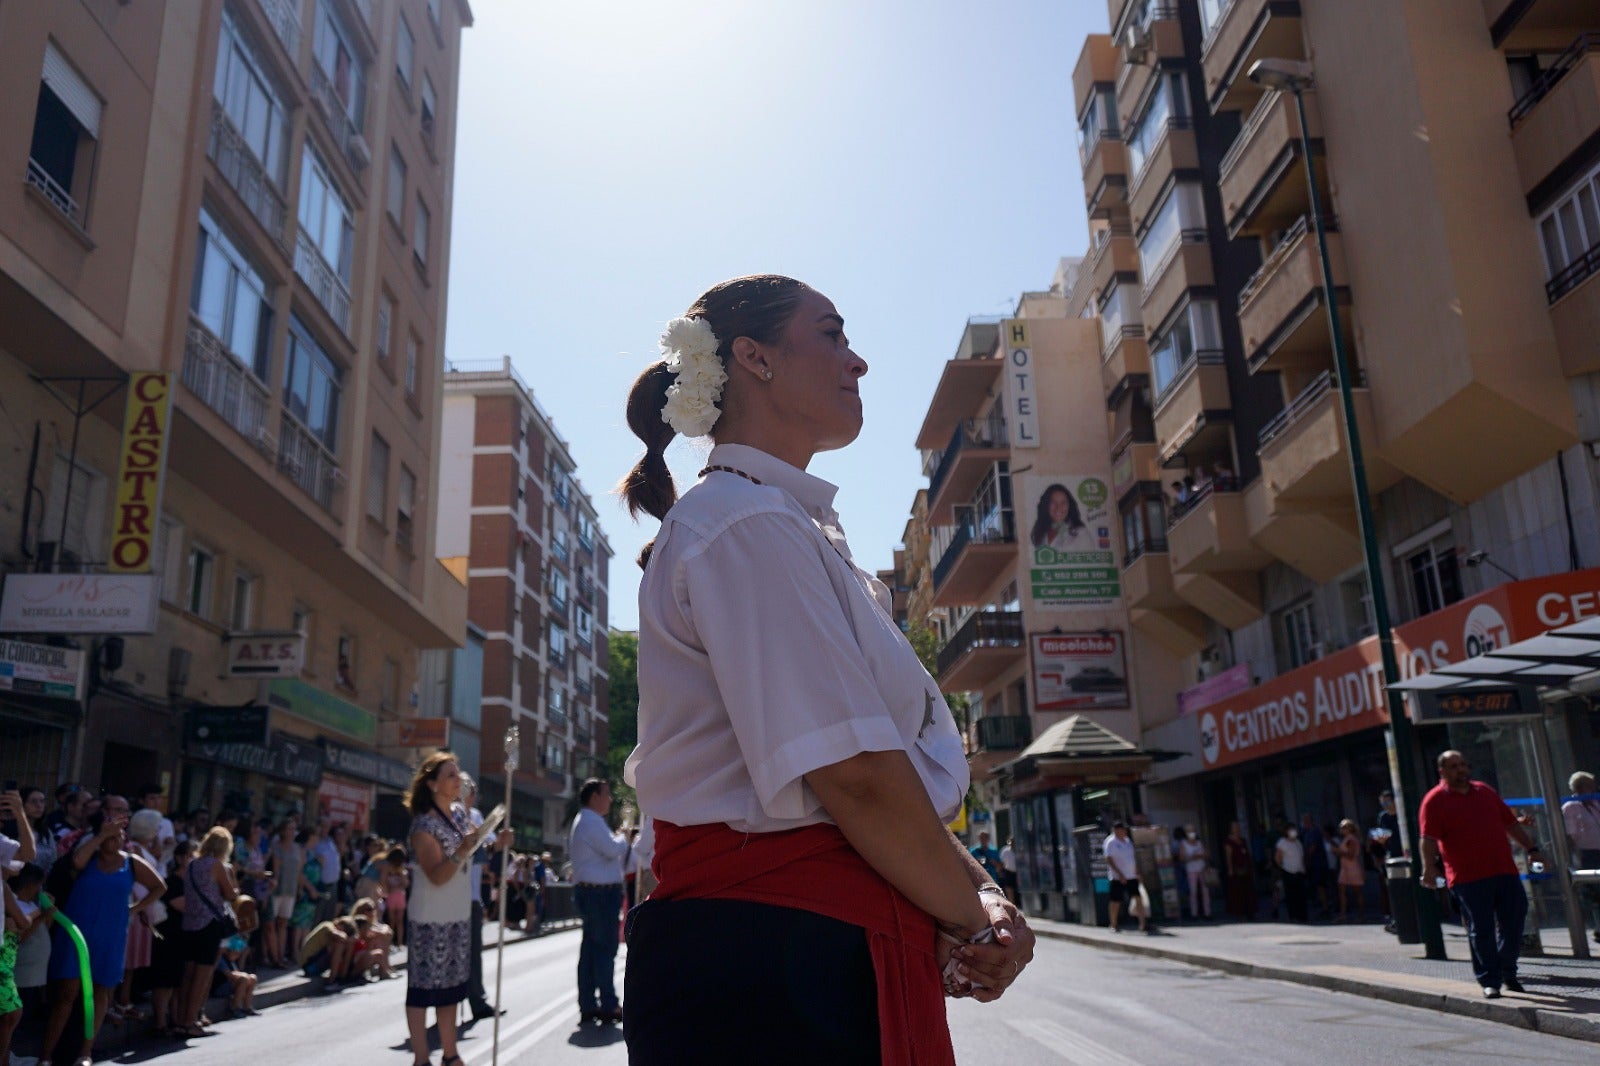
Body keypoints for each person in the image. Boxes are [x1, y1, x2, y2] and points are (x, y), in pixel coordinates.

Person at [620, 276, 1034, 1066]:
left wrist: (981, 897)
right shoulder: (744, 523)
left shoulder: (775, 523)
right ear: (753, 358)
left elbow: (882, 780)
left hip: (789, 951)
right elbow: (859, 779)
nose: (860, 362)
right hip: (771, 956)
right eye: (834, 335)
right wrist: (981, 921)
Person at [39, 797, 164, 1065]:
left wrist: (134, 908)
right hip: (76, 935)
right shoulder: (87, 856)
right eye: (111, 834)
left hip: (111, 936)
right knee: (67, 995)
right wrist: (100, 836)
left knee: (100, 994)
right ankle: (46, 1056)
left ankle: (85, 1052)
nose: (116, 838)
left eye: (120, 834)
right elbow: (76, 863)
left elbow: (159, 887)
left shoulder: (130, 863)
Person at [404, 752, 503, 1066]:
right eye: (450, 774)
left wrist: (497, 842)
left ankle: (450, 1054)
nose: (457, 778)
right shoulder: (423, 826)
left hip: (457, 912)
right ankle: (421, 1057)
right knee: (422, 988)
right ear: (432, 784)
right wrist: (462, 849)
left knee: (451, 988)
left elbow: (476, 849)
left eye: (457, 773)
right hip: (430, 915)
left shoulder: (461, 813)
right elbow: (436, 874)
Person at [1420, 750, 1543, 998]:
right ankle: (1491, 980)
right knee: (1482, 928)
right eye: (1454, 766)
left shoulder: (1485, 792)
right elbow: (1428, 838)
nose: (1461, 770)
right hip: (1467, 878)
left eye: (1464, 765)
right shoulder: (1434, 801)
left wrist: (1532, 849)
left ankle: (1507, 968)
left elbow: (1510, 825)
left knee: (1515, 918)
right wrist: (1428, 868)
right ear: (1442, 771)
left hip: (1504, 870)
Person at [569, 779, 630, 1025]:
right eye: (606, 794)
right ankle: (608, 1003)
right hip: (600, 894)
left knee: (592, 950)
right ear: (594, 796)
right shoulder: (591, 821)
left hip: (594, 893)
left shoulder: (586, 820)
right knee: (604, 949)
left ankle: (588, 1003)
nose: (609, 799)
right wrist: (624, 836)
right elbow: (612, 849)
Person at [174, 826, 241, 1037]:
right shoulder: (216, 865)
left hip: (189, 924)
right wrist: (236, 886)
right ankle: (190, 1021)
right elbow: (230, 894)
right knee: (202, 976)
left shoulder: (192, 865)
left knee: (188, 975)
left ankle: (179, 1019)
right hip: (209, 925)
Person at [459, 773, 502, 1021]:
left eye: (473, 789)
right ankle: (451, 1002)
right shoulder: (452, 814)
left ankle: (477, 1000)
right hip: (453, 895)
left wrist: (500, 841)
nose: (471, 793)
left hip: (472, 894)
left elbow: (490, 849)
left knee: (474, 951)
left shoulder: (474, 816)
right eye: (467, 788)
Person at [2, 863, 49, 1065]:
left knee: (10, 1018)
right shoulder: (13, 903)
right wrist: (38, 915)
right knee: (12, 1014)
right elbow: (21, 930)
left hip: (16, 971)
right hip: (16, 972)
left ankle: (6, 1057)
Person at [148, 840, 193, 1037]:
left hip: (184, 937)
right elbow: (183, 906)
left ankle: (175, 1020)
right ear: (180, 858)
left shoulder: (192, 882)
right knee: (164, 981)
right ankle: (159, 1022)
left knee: (177, 981)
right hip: (168, 935)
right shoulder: (173, 882)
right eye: (191, 855)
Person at [1561, 771, 1600, 944]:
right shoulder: (1572, 807)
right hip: (1587, 853)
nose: (1593, 789)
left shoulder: (1596, 804)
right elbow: (1571, 834)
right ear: (1580, 788)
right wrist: (1574, 856)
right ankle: (1597, 927)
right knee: (1594, 892)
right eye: (1590, 786)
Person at [264, 818, 305, 968]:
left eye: (294, 829)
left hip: (291, 889)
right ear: (283, 831)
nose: (292, 832)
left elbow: (299, 871)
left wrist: (300, 888)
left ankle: (281, 955)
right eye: (289, 828)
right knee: (270, 923)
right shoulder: (277, 847)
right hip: (277, 889)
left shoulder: (298, 849)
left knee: (283, 923)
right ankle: (271, 956)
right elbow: (275, 870)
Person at [1369, 790, 1403, 933]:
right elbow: (1381, 838)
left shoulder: (1403, 813)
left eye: (1388, 802)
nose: (1385, 805)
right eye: (1382, 803)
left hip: (1406, 855)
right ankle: (1397, 920)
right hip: (1392, 856)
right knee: (1395, 890)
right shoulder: (1383, 817)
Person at [1104, 822, 1145, 933]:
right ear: (1117, 830)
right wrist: (1119, 874)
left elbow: (1132, 858)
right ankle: (1113, 923)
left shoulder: (1128, 841)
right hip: (1117, 877)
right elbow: (1109, 859)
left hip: (1131, 875)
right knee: (1116, 901)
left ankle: (1142, 924)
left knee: (1138, 898)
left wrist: (1137, 872)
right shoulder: (1110, 842)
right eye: (1122, 830)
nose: (1124, 832)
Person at [1029, 484, 1087, 551]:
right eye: (1053, 502)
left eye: (1063, 502)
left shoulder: (1081, 533)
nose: (1058, 507)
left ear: (1069, 506)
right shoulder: (1039, 531)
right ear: (1046, 505)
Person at [1274, 822, 1309, 922]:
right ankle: (1294, 916)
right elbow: (1277, 858)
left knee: (1301, 895)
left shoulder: (1297, 842)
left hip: (1299, 871)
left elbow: (1301, 856)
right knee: (1291, 896)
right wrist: (1282, 867)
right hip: (1289, 872)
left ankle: (1302, 915)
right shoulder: (1282, 842)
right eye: (1291, 830)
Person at [1223, 821, 1256, 920]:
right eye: (1235, 827)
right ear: (1231, 829)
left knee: (1248, 891)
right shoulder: (1228, 842)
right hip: (1236, 869)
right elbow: (1228, 856)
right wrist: (1230, 869)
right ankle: (1239, 912)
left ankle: (1250, 911)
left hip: (1246, 868)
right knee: (1238, 892)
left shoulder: (1243, 840)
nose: (1237, 829)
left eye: (1238, 827)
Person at [1300, 813, 1330, 918]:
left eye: (1305, 821)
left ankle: (1325, 908)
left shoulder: (1314, 832)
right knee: (1317, 887)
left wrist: (1306, 860)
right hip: (1314, 864)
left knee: (1321, 886)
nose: (1303, 823)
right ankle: (1323, 907)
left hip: (1318, 864)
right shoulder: (1306, 832)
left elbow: (1312, 848)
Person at [1335, 819, 1365, 921]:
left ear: (1350, 829)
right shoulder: (1346, 839)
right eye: (1341, 827)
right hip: (1344, 868)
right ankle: (1343, 914)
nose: (1341, 829)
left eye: (1344, 827)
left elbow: (1351, 856)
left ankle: (1361, 914)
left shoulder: (1351, 839)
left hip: (1352, 868)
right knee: (1341, 891)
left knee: (1357, 891)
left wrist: (1338, 852)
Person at [1179, 826, 1211, 919]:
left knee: (1205, 891)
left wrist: (1201, 856)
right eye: (1189, 831)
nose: (1191, 833)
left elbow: (1207, 855)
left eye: (1193, 831)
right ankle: (1194, 913)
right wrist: (1191, 857)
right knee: (1193, 892)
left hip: (1202, 869)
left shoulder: (1199, 843)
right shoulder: (1183, 844)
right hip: (1191, 870)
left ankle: (1207, 913)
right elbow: (1181, 858)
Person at [383, 846, 410, 947]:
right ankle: (389, 943)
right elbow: (385, 883)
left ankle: (399, 943)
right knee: (391, 920)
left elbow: (406, 884)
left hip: (400, 896)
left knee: (399, 920)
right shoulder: (387, 869)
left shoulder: (403, 870)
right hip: (391, 896)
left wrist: (401, 875)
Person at [998, 837, 1018, 903]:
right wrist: (1000, 872)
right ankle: (1012, 905)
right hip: (1008, 872)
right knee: (1009, 890)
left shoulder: (1020, 850)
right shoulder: (1005, 851)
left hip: (1018, 873)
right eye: (1011, 841)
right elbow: (1002, 863)